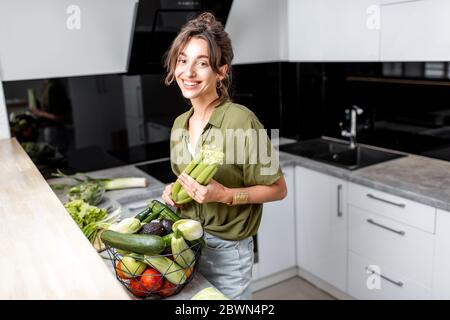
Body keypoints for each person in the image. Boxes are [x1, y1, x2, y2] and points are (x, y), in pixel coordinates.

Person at [161, 12, 287, 300]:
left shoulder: (242, 121)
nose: (188, 72)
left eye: (201, 63)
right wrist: (175, 193)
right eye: (182, 60)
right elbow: (188, 183)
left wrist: (226, 195)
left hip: (229, 253)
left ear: (221, 72)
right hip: (187, 246)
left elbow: (279, 190)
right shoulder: (180, 124)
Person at [30, 78, 72, 154]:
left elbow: (59, 117)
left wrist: (40, 113)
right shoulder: (48, 85)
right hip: (52, 130)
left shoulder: (54, 88)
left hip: (56, 131)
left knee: (58, 155)